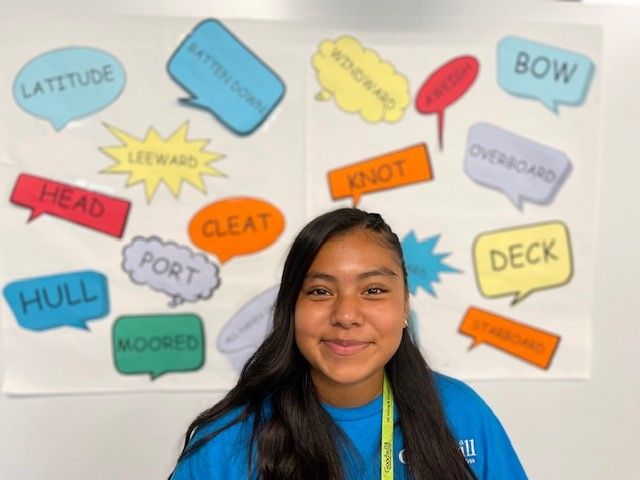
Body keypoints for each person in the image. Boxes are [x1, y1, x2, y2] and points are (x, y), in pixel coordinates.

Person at [170, 208, 527, 480]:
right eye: (320, 291)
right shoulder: (229, 440)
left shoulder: (460, 413)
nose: (346, 315)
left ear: (405, 306)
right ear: (290, 308)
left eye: (373, 290)